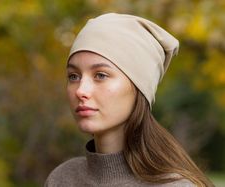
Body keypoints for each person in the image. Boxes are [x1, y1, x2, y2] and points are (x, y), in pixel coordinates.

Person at [45, 13, 214, 187]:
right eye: (73, 76)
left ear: (140, 87)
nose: (81, 90)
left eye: (101, 75)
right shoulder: (62, 179)